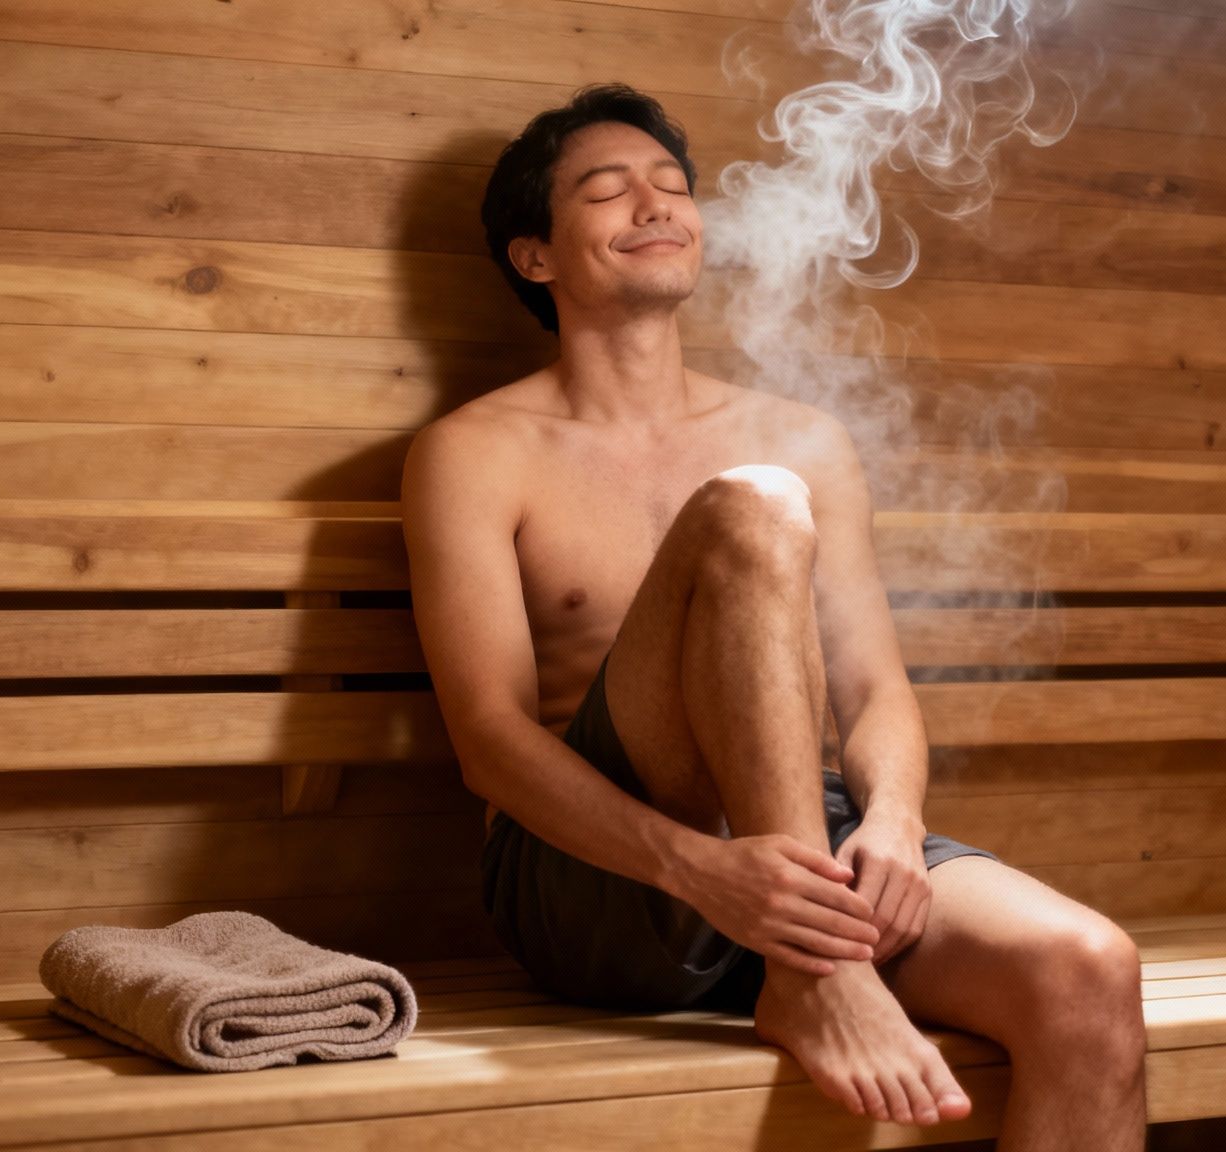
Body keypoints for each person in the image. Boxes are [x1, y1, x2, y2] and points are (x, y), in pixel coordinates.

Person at [400, 82, 1146, 1148]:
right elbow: (490, 742)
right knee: (751, 508)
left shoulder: (805, 437)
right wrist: (699, 868)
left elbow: (873, 690)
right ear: (535, 256)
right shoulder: (475, 453)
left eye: (672, 186)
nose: (654, 205)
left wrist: (891, 825)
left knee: (1087, 971)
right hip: (603, 880)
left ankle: (808, 958)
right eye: (607, 192)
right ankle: (818, 975)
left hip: (799, 851)